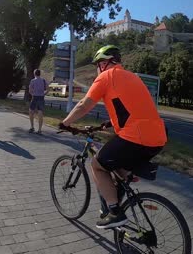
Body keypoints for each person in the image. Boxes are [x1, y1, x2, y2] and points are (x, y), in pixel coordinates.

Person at [59, 45, 167, 229]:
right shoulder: (133, 77)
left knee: (97, 166)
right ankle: (119, 204)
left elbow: (84, 106)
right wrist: (107, 124)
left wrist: (65, 123)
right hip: (157, 138)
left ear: (104, 63)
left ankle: (115, 212)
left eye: (97, 64)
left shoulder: (106, 76)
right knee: (118, 170)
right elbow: (131, 108)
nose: (97, 68)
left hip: (135, 137)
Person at [28, 69, 48, 134]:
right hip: (41, 98)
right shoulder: (44, 80)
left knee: (31, 112)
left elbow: (30, 90)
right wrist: (43, 94)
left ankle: (32, 127)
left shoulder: (32, 81)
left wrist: (33, 94)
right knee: (40, 114)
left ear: (34, 74)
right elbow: (48, 89)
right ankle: (39, 130)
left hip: (34, 98)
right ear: (40, 74)